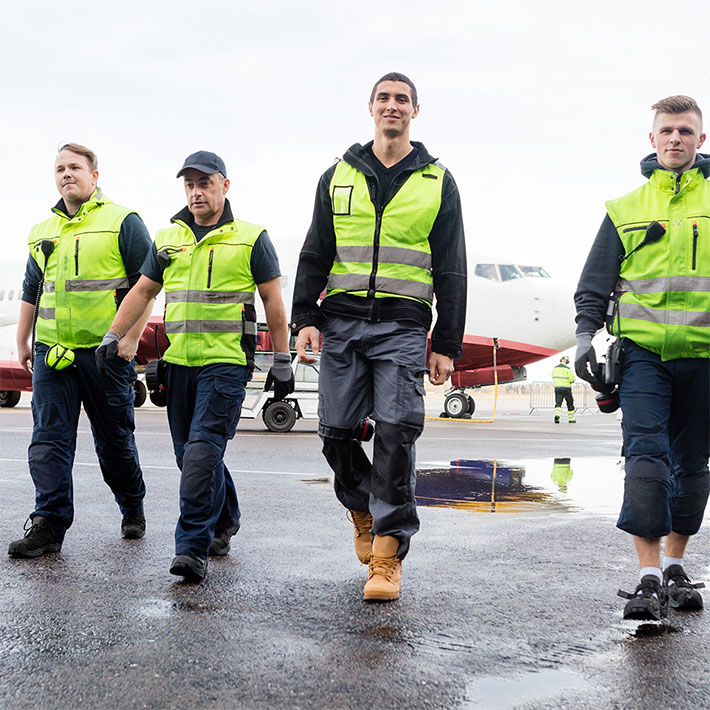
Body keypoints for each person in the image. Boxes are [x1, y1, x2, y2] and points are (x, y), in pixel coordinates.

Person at [291, 72, 467, 601]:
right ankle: (363, 510)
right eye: (385, 98)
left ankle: (387, 555)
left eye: (402, 99)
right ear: (370, 107)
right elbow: (315, 251)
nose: (393, 106)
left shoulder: (438, 180)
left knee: (397, 433)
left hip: (404, 326)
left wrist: (447, 344)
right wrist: (305, 316)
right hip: (342, 323)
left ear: (416, 110)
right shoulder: (337, 175)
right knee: (335, 433)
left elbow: (451, 267)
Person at [97, 151, 293, 582]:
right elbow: (143, 290)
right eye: (189, 184)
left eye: (204, 182)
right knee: (189, 456)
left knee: (203, 451)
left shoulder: (251, 237)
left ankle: (191, 547)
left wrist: (281, 360)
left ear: (225, 185)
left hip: (226, 364)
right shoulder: (169, 238)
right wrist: (114, 335)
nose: (196, 191)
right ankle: (225, 519)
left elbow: (274, 303)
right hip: (180, 363)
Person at [575, 95, 710, 620]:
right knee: (647, 457)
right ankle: (648, 578)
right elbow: (593, 285)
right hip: (643, 356)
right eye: (666, 131)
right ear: (651, 141)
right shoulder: (624, 209)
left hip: (704, 355)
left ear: (701, 140)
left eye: (685, 131)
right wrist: (587, 336)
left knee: (694, 466)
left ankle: (675, 565)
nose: (675, 139)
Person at [8, 143, 151, 558]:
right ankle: (48, 523)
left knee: (114, 442)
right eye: (59, 169)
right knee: (48, 439)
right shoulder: (41, 230)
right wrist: (23, 339)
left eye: (74, 167)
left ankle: (132, 504)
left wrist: (129, 340)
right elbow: (32, 287)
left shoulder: (123, 221)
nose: (66, 174)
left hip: (105, 354)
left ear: (94, 175)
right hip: (53, 354)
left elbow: (146, 286)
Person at [551, 355, 576, 423]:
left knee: (558, 403)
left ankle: (557, 416)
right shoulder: (568, 369)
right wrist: (570, 381)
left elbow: (553, 376)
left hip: (558, 388)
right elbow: (572, 379)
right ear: (566, 361)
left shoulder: (555, 368)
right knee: (570, 403)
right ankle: (571, 419)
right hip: (566, 388)